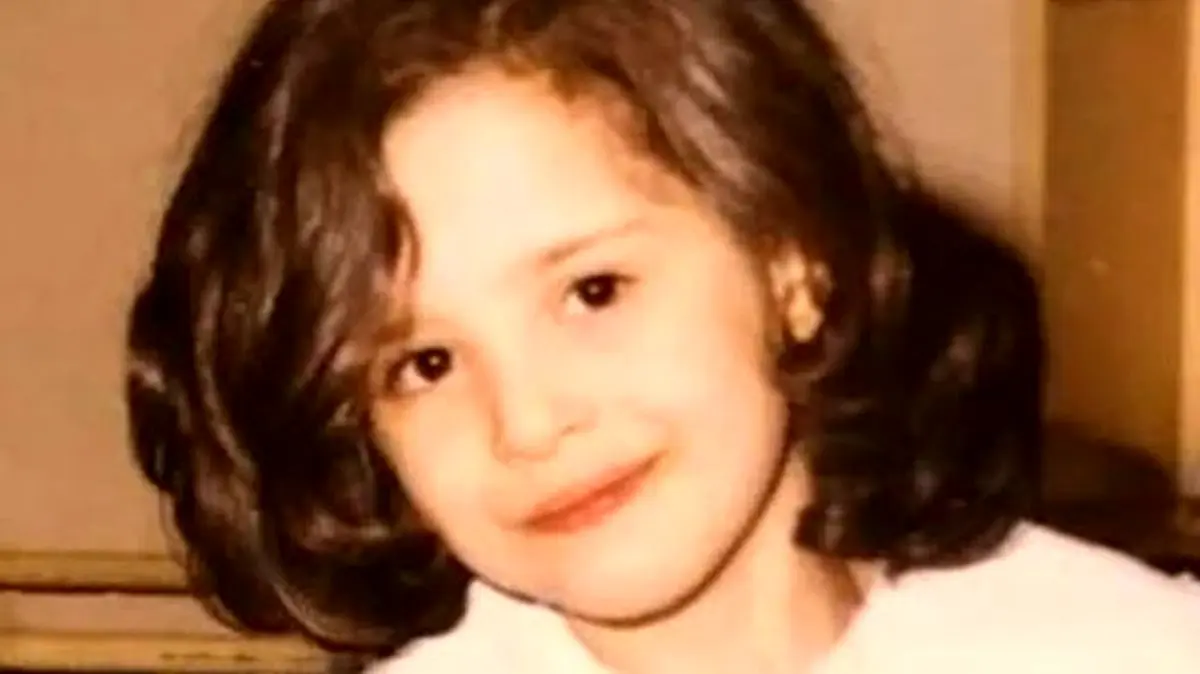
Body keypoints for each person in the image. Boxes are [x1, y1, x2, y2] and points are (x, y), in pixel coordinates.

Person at [124, 0, 1199, 671]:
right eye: (425, 362)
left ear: (793, 262)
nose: (529, 421)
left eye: (594, 291)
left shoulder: (1123, 649)